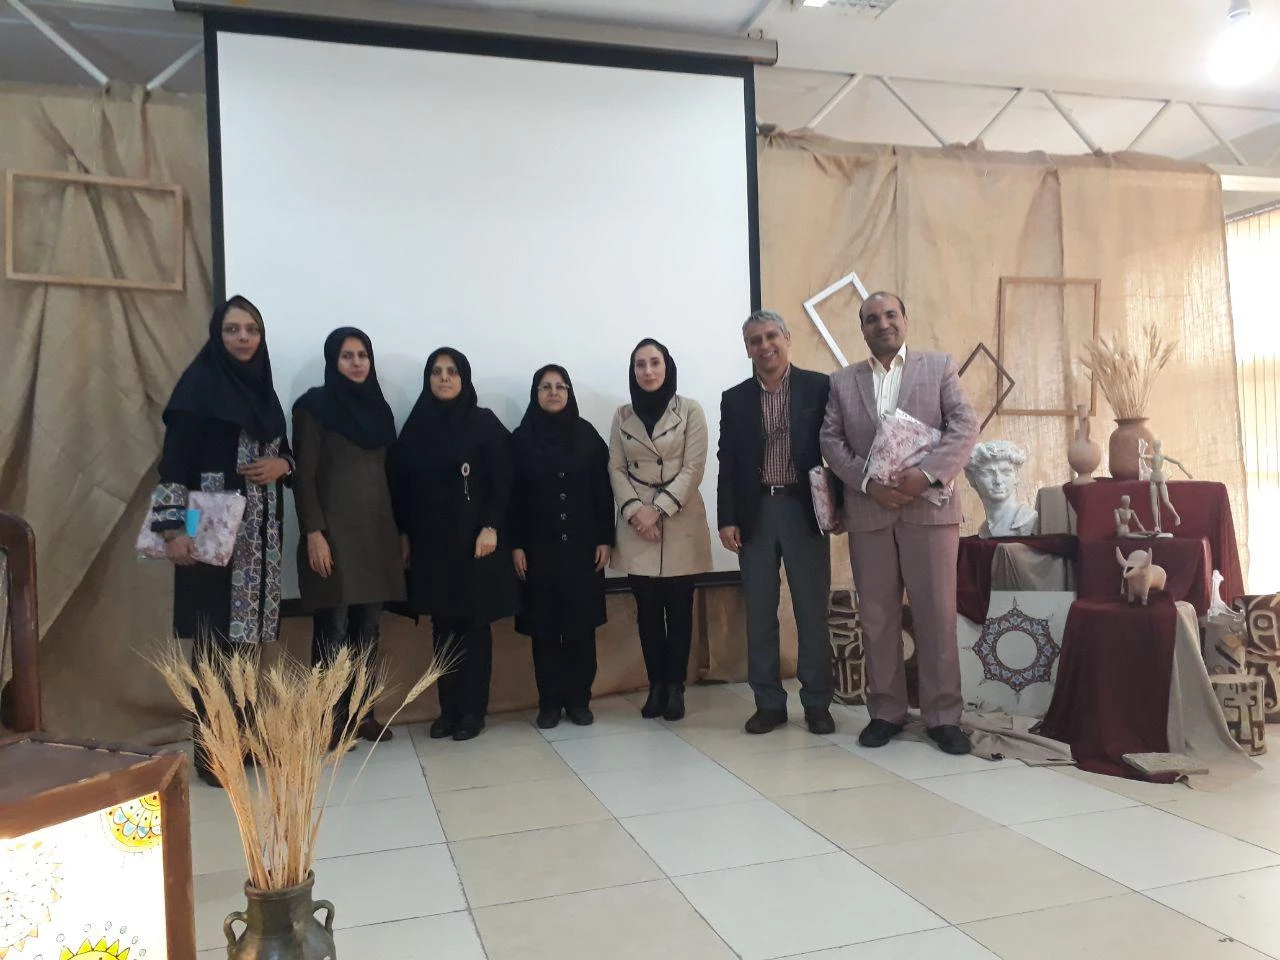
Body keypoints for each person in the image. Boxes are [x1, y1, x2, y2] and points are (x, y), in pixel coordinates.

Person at [820, 292, 979, 755]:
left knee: (936, 616)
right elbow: (830, 440)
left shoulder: (939, 367)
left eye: (890, 315)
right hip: (869, 512)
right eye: (872, 319)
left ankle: (943, 717)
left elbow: (964, 426)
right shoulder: (842, 382)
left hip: (929, 510)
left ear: (905, 320)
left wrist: (926, 475)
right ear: (863, 330)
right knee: (877, 617)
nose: (882, 324)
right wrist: (867, 484)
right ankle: (886, 712)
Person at [150, 295, 293, 786]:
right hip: (210, 533)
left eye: (252, 329)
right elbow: (174, 465)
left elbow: (284, 451)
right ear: (218, 334)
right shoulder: (198, 388)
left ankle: (244, 741)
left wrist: (283, 465)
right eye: (233, 329)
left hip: (260, 537)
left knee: (246, 645)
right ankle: (212, 755)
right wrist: (173, 532)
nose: (243, 337)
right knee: (213, 646)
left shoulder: (264, 392)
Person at [388, 347, 517, 742]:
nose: (444, 378)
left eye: (452, 371)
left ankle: (473, 711)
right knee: (442, 628)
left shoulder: (484, 423)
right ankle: (449, 710)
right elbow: (402, 487)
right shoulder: (417, 426)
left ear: (464, 378)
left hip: (476, 544)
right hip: (433, 546)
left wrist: (491, 526)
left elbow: (502, 481)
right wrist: (404, 534)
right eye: (437, 371)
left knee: (473, 626)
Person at [717, 310, 835, 736]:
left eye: (771, 336)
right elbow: (727, 462)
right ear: (747, 348)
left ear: (787, 338)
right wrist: (726, 518)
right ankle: (768, 703)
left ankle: (817, 703)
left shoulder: (819, 386)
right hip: (756, 514)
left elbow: (837, 445)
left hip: (804, 512)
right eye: (755, 340)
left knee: (811, 612)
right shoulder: (734, 398)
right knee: (761, 613)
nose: (764, 346)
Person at [292, 327, 405, 745]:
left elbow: (392, 475)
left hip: (376, 533)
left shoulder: (380, 410)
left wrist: (401, 533)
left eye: (362, 355)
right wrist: (314, 532)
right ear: (333, 361)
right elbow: (303, 476)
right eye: (347, 356)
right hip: (333, 534)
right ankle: (328, 721)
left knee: (368, 630)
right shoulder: (314, 408)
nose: (357, 363)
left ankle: (363, 714)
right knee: (334, 629)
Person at [609, 338, 713, 722]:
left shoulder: (690, 410)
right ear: (633, 371)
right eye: (640, 364)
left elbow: (694, 467)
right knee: (648, 612)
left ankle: (676, 688)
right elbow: (615, 467)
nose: (648, 371)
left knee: (680, 611)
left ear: (667, 367)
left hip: (679, 520)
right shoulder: (622, 415)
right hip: (636, 524)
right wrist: (637, 512)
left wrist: (658, 510)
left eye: (655, 362)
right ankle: (656, 686)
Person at [511, 365, 614, 729]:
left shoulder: (587, 436)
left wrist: (605, 538)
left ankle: (579, 700)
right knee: (544, 631)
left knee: (580, 630)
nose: (553, 392)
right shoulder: (520, 440)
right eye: (545, 387)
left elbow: (603, 491)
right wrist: (516, 545)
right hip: (538, 550)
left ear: (569, 393)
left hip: (583, 549)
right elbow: (512, 499)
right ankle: (549, 703)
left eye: (560, 386)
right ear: (535, 394)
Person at [964, 440, 1038, 538]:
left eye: (1006, 472)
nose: (998, 481)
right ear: (972, 480)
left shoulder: (1027, 519)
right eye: (987, 473)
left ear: (1016, 476)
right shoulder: (986, 528)